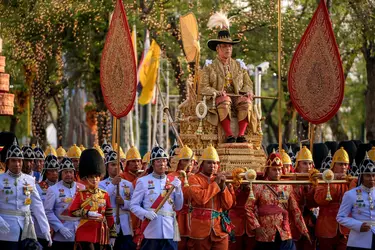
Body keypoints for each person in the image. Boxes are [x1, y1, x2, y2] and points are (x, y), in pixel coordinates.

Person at [200, 12, 257, 143]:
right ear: (218, 48)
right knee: (224, 99)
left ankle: (241, 135)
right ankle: (229, 134)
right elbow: (203, 87)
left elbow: (248, 83)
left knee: (246, 101)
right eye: (224, 46)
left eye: (230, 46)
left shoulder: (239, 65)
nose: (228, 49)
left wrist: (248, 91)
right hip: (217, 99)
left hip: (236, 96)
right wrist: (216, 92)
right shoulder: (209, 67)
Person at [245, 152, 309, 250]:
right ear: (267, 170)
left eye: (279, 169)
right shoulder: (258, 186)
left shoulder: (286, 186)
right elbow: (248, 207)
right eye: (274, 170)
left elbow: (295, 210)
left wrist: (304, 230)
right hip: (265, 233)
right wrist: (256, 227)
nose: (278, 172)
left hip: (284, 231)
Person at [0, 139, 52, 249]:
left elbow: (37, 206)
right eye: (13, 161)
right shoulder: (0, 179)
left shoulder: (29, 180)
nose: (17, 164)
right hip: (6, 229)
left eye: (19, 160)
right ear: (7, 162)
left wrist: (45, 228)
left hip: (27, 228)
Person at [130, 145, 183, 250]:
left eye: (164, 160)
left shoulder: (173, 181)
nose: (162, 164)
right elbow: (133, 205)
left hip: (169, 231)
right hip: (151, 230)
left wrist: (178, 190)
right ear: (153, 163)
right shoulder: (143, 181)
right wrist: (145, 214)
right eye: (158, 161)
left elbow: (179, 206)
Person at [187, 144, 234, 250]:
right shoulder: (194, 179)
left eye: (215, 163)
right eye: (209, 163)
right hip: (200, 230)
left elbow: (228, 205)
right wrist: (216, 184)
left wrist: (223, 188)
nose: (212, 166)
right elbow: (201, 199)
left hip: (219, 230)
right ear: (202, 165)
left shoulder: (218, 179)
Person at [69, 148, 116, 249]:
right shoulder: (80, 194)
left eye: (96, 176)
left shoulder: (105, 195)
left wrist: (112, 234)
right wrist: (87, 213)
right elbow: (72, 211)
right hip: (85, 231)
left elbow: (109, 216)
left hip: (100, 232)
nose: (94, 179)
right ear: (85, 178)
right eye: (91, 177)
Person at [44, 157, 85, 250]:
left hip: (80, 233)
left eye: (70, 172)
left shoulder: (82, 188)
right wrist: (60, 228)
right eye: (65, 172)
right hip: (61, 236)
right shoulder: (53, 189)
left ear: (74, 173)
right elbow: (47, 211)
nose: (68, 174)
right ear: (61, 174)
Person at [337, 154, 375, 250]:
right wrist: (358, 225)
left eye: (373, 175)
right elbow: (340, 217)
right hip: (359, 240)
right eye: (368, 175)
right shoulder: (351, 194)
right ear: (361, 177)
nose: (371, 179)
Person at [99, 150, 136, 250]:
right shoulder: (101, 184)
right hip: (110, 222)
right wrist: (112, 185)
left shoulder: (128, 184)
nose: (116, 167)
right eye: (113, 164)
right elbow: (101, 199)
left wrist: (124, 202)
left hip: (125, 223)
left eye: (118, 165)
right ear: (107, 167)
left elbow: (134, 204)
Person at [315, 147, 350, 250]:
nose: (343, 167)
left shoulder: (349, 179)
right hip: (326, 228)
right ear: (333, 165)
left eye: (345, 164)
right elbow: (319, 200)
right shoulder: (323, 179)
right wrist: (333, 181)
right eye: (340, 164)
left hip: (345, 228)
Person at [168, 145, 195, 250]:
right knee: (179, 244)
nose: (190, 164)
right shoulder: (171, 176)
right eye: (186, 161)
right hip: (177, 214)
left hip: (193, 215)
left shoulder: (195, 177)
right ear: (180, 162)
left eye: (192, 161)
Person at [292, 146, 318, 250]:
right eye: (304, 163)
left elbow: (316, 202)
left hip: (309, 222)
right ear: (297, 165)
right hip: (294, 222)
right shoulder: (290, 180)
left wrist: (311, 189)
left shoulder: (316, 180)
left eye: (310, 163)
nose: (308, 166)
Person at [35, 153, 60, 248]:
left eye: (56, 171)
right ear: (46, 172)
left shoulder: (62, 187)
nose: (54, 173)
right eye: (51, 171)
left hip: (59, 227)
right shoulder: (38, 187)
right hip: (42, 227)